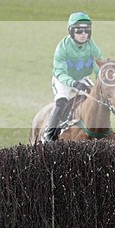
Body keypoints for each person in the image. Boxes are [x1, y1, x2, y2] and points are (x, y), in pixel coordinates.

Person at [42, 12, 105, 142]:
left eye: (86, 31)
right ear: (71, 31)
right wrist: (74, 83)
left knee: (96, 98)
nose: (83, 34)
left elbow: (100, 66)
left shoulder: (92, 46)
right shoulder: (62, 47)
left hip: (82, 78)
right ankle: (49, 132)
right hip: (63, 80)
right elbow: (60, 72)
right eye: (79, 31)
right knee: (62, 99)